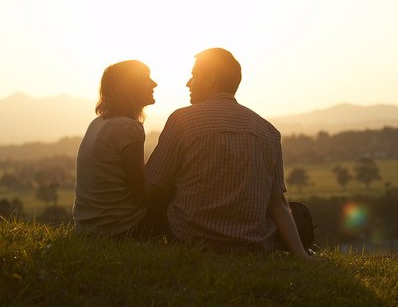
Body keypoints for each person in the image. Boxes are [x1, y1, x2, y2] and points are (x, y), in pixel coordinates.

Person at [145, 48, 311, 258]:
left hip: (190, 240)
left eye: (194, 75)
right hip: (252, 246)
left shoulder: (183, 120)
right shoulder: (268, 131)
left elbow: (151, 189)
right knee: (297, 209)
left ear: (210, 79)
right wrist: (301, 254)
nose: (188, 83)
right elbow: (277, 203)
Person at [73, 60, 158, 236]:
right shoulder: (128, 128)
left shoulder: (97, 123)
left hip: (87, 226)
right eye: (146, 78)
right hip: (119, 228)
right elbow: (140, 194)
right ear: (129, 87)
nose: (154, 84)